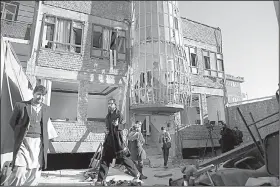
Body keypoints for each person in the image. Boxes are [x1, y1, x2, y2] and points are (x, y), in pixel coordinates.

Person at [8, 85, 56, 186]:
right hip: (23, 142)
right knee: (19, 172)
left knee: (34, 174)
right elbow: (12, 122)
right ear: (33, 93)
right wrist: (20, 134)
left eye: (43, 95)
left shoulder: (46, 109)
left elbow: (46, 125)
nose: (40, 97)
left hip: (38, 144)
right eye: (38, 94)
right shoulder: (20, 105)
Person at [95, 98, 141, 186]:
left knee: (124, 159)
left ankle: (136, 174)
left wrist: (118, 125)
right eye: (108, 104)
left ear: (115, 105)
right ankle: (100, 180)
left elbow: (125, 125)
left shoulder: (119, 114)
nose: (109, 105)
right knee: (105, 159)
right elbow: (107, 128)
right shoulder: (107, 117)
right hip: (109, 141)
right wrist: (106, 131)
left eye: (111, 104)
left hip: (117, 142)